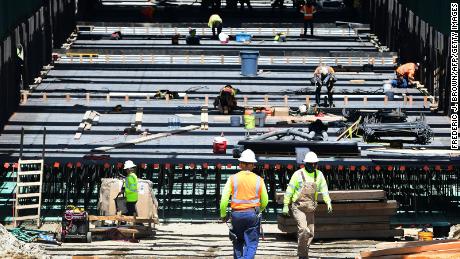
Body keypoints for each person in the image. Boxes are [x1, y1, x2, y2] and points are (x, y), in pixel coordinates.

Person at [220, 149, 269, 259]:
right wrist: (258, 211)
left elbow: (223, 200)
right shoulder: (259, 180)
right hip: (252, 215)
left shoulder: (232, 179)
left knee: (237, 241)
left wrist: (223, 215)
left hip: (236, 215)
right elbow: (265, 200)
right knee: (251, 243)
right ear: (253, 165)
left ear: (240, 164)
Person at [283, 151, 332, 259]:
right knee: (303, 230)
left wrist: (328, 201)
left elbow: (324, 189)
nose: (312, 166)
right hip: (298, 207)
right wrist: (286, 205)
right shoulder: (297, 174)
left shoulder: (319, 175)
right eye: (310, 164)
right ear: (305, 164)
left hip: (310, 207)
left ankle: (304, 252)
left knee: (311, 233)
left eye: (314, 164)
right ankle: (302, 255)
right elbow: (289, 190)